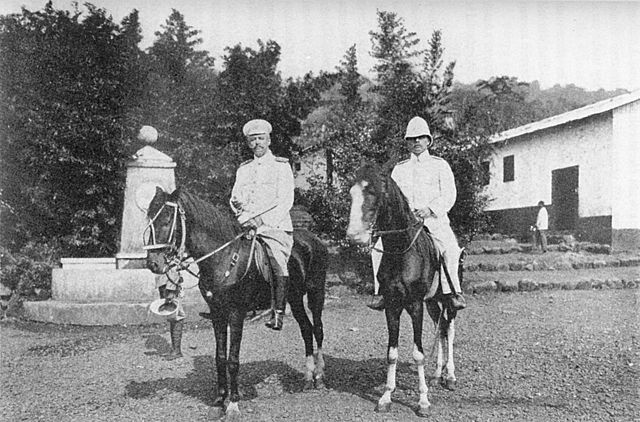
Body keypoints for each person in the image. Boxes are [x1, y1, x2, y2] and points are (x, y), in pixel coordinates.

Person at [369, 116, 466, 311]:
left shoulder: (440, 165)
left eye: (420, 138)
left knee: (450, 249)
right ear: (407, 142)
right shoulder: (399, 169)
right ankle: (380, 292)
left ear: (428, 140)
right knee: (377, 251)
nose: (416, 142)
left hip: (434, 222)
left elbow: (449, 195)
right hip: (406, 226)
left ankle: (452, 292)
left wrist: (430, 209)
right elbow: (392, 199)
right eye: (412, 139)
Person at [230, 119, 295, 331]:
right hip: (246, 225)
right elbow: (234, 199)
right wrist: (241, 212)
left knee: (276, 258)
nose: (257, 142)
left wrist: (262, 221)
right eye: (253, 139)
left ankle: (278, 311)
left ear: (269, 140)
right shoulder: (244, 169)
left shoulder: (280, 166)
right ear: (248, 143)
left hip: (273, 227)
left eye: (261, 138)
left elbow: (286, 200)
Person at [154, 267, 186, 360]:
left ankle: (176, 350)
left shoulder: (172, 254)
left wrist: (171, 289)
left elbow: (175, 266)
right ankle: (175, 349)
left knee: (176, 313)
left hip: (171, 282)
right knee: (171, 314)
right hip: (164, 281)